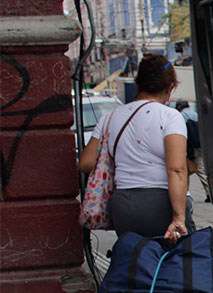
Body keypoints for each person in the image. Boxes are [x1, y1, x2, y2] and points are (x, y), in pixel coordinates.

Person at [78, 54, 192, 243]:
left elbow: (85, 163)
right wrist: (179, 218)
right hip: (160, 202)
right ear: (170, 87)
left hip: (123, 204)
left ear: (137, 84)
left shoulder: (110, 118)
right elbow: (177, 169)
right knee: (178, 262)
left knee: (136, 260)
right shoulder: (170, 116)